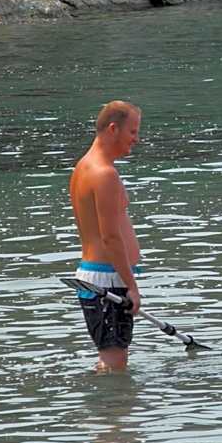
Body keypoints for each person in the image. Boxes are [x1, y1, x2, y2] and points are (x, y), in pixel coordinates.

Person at [69, 100, 142, 372]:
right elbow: (110, 237)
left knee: (111, 359)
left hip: (97, 275)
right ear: (113, 128)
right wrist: (131, 286)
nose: (136, 139)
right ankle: (111, 412)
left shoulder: (83, 167)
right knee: (115, 362)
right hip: (108, 279)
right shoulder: (104, 174)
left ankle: (109, 411)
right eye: (132, 132)